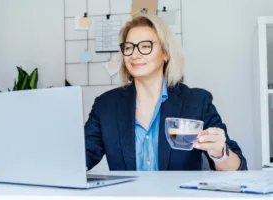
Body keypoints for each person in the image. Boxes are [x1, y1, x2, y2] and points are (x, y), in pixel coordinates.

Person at [84, 14, 247, 171]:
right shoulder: (105, 105)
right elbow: (82, 155)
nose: (134, 54)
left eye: (145, 46)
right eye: (128, 47)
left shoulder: (197, 101)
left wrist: (220, 153)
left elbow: (237, 168)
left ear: (165, 53)